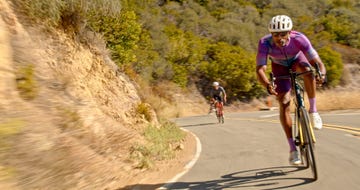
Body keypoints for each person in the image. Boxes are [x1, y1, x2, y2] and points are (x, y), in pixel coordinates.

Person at [255, 15, 327, 165]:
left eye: (283, 34)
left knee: (308, 70)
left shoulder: (299, 38)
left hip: (297, 60)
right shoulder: (264, 43)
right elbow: (260, 69)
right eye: (275, 34)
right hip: (279, 67)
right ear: (271, 34)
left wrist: (322, 73)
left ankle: (313, 111)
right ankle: (293, 149)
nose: (279, 37)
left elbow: (317, 62)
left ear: (290, 32)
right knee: (284, 102)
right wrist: (268, 84)